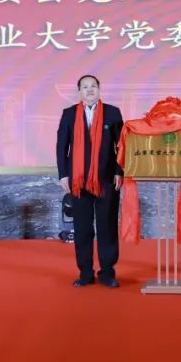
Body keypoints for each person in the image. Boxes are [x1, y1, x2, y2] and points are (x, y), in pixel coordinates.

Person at [56, 75, 124, 287]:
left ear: (99, 89)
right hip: (78, 181)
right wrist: (63, 174)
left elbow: (122, 145)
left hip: (106, 179)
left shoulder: (112, 113)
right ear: (79, 92)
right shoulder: (69, 114)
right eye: (85, 87)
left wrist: (119, 171)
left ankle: (107, 273)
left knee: (107, 226)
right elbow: (61, 146)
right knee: (83, 228)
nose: (90, 90)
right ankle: (85, 273)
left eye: (93, 86)